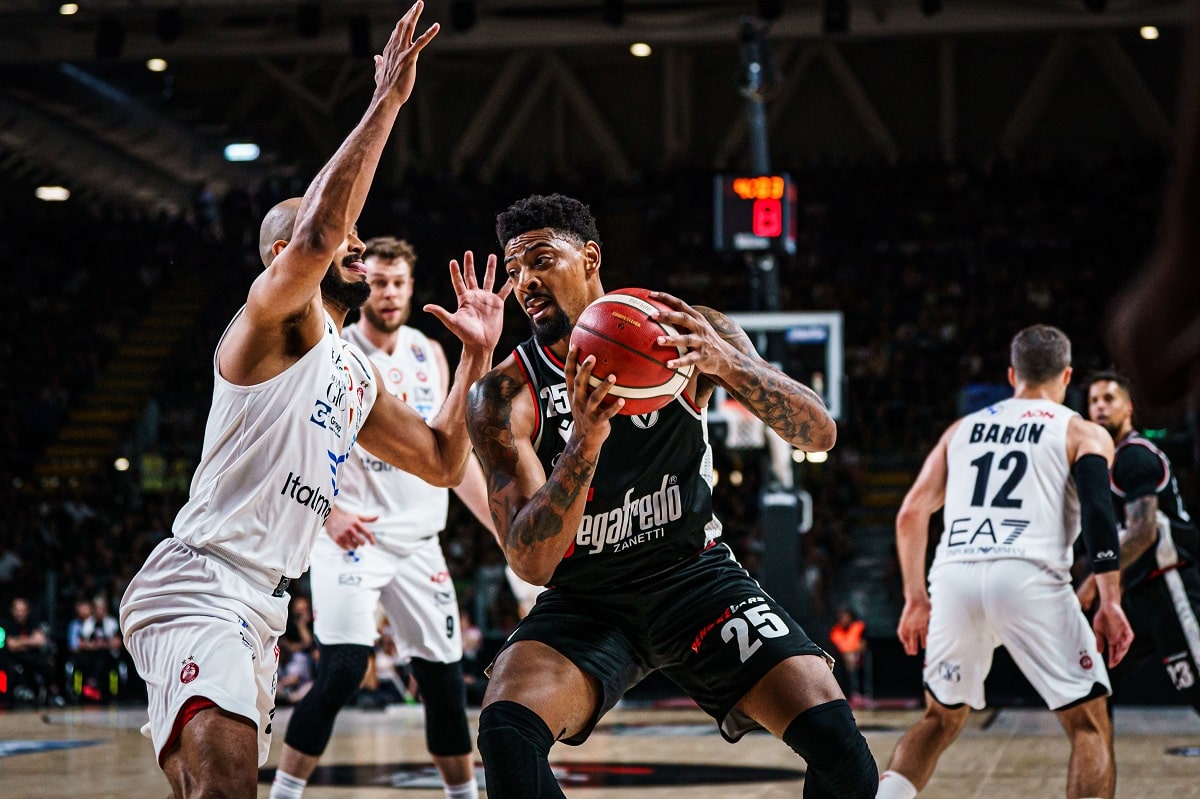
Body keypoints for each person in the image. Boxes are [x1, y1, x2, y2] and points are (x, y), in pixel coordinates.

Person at [119, 7, 509, 796]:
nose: (353, 240)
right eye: (336, 234)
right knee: (228, 782)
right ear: (280, 254)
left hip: (261, 602)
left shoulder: (356, 373)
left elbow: (442, 461)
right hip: (204, 582)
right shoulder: (270, 322)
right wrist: (387, 101)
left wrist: (475, 359)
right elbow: (321, 233)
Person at [465, 193, 877, 799]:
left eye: (541, 260)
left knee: (843, 753)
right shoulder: (502, 395)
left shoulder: (685, 331)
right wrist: (584, 442)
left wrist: (728, 364)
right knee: (507, 733)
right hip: (587, 598)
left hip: (695, 579)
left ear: (590, 258)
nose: (525, 281)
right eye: (514, 268)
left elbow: (818, 433)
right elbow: (531, 562)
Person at [271, 236, 499, 799]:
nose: (389, 293)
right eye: (378, 282)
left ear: (411, 287)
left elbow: (453, 457)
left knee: (444, 683)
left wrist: (504, 526)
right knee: (344, 670)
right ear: (360, 283)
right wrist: (328, 513)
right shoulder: (333, 348)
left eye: (399, 282)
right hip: (353, 539)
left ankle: (463, 796)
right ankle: (283, 793)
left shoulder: (431, 353)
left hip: (418, 541)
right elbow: (295, 445)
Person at [877, 325, 1134, 799]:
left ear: (1012, 375)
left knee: (938, 719)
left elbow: (911, 513)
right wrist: (1110, 600)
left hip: (954, 575)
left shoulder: (961, 430)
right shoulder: (1082, 430)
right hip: (1028, 574)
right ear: (1067, 376)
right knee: (1089, 724)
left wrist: (915, 598)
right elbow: (1099, 511)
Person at [1082, 371, 1200, 714]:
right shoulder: (1105, 462)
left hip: (1170, 583)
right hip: (1138, 592)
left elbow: (1143, 533)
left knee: (1195, 682)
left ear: (1128, 407)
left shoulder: (1134, 456)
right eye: (1094, 401)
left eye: (1109, 399)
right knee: (1096, 675)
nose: (1100, 407)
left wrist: (1092, 581)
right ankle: (1096, 749)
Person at [829, 607, 869, 707]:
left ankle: (857, 692)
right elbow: (836, 646)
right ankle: (846, 692)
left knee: (852, 659)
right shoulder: (836, 629)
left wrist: (853, 652)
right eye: (841, 617)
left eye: (845, 617)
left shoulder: (858, 627)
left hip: (857, 656)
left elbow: (864, 644)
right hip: (841, 658)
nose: (843, 619)